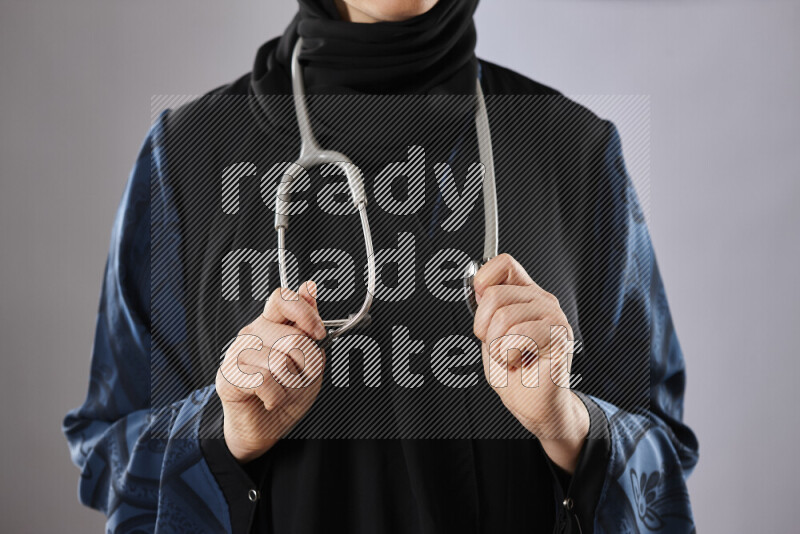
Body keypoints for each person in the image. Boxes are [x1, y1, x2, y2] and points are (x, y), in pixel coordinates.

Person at [63, 1, 698, 532]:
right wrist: (224, 432)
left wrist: (568, 425)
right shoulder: (189, 154)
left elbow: (662, 459)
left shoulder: (572, 147)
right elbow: (106, 455)